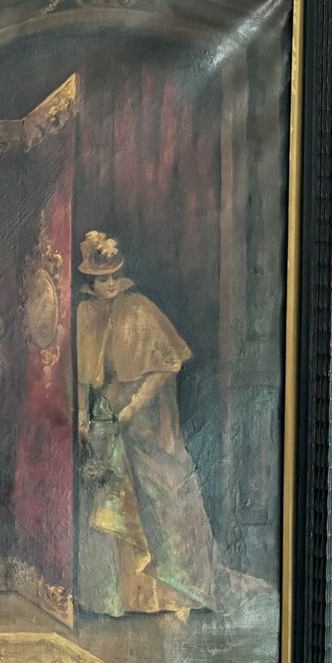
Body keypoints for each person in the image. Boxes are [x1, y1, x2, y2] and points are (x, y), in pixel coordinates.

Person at [75, 230, 221, 617]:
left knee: (164, 495)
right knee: (113, 496)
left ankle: (176, 590)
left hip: (147, 419)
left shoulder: (138, 309)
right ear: (90, 282)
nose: (108, 285)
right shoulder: (85, 314)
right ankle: (126, 595)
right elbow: (83, 375)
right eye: (100, 279)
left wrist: (135, 405)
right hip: (108, 416)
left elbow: (165, 365)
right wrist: (82, 414)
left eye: (112, 277)